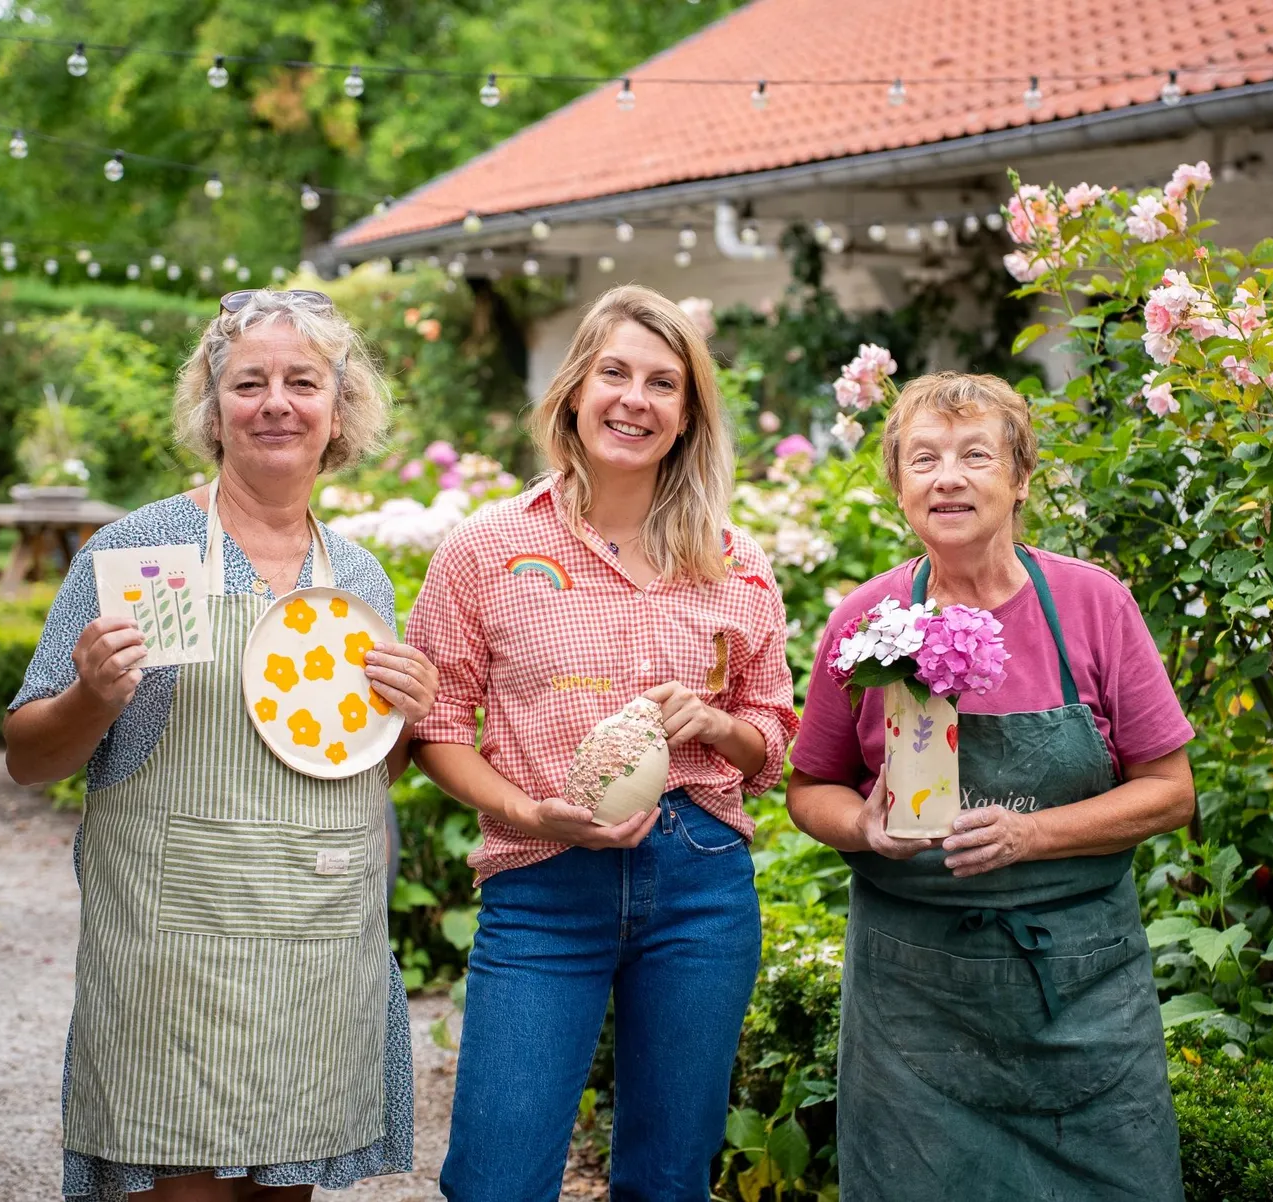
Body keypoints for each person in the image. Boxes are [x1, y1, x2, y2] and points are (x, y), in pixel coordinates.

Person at [3, 289, 436, 1202]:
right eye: (249, 383)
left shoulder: (354, 576)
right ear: (213, 408)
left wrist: (408, 714)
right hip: (176, 956)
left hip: (313, 949)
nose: (276, 402)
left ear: (338, 408)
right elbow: (30, 755)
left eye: (302, 382)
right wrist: (91, 693)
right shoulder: (148, 552)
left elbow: (358, 768)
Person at [406, 285, 799, 1201]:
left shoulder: (736, 563)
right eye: (615, 372)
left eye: (664, 383)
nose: (635, 399)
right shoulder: (487, 549)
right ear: (576, 390)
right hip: (543, 882)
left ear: (688, 414)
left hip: (699, 885)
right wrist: (524, 809)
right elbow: (434, 725)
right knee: (495, 1182)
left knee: (669, 1180)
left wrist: (720, 727)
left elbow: (775, 738)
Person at [787, 372, 1196, 1201]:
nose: (948, 478)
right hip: (914, 1005)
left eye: (976, 455)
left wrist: (1031, 835)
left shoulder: (1092, 604)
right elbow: (809, 788)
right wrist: (863, 828)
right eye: (924, 459)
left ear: (1020, 480)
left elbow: (1170, 791)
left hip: (1081, 992)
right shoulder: (866, 623)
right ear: (899, 487)